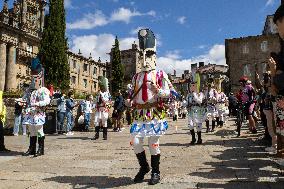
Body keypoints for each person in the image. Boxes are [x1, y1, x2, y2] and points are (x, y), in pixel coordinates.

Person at [127, 29, 175, 185]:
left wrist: (159, 91)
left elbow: (170, 93)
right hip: (140, 114)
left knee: (153, 143)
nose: (144, 59)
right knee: (135, 142)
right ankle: (144, 167)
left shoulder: (161, 74)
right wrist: (130, 102)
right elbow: (132, 96)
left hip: (154, 113)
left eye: (147, 55)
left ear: (154, 56)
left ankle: (156, 171)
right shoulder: (136, 76)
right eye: (141, 55)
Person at [22, 83, 51, 157]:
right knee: (31, 131)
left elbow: (47, 101)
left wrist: (38, 103)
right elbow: (24, 99)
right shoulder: (30, 91)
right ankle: (32, 149)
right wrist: (21, 101)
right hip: (30, 113)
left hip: (38, 113)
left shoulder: (43, 90)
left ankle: (40, 149)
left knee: (39, 131)